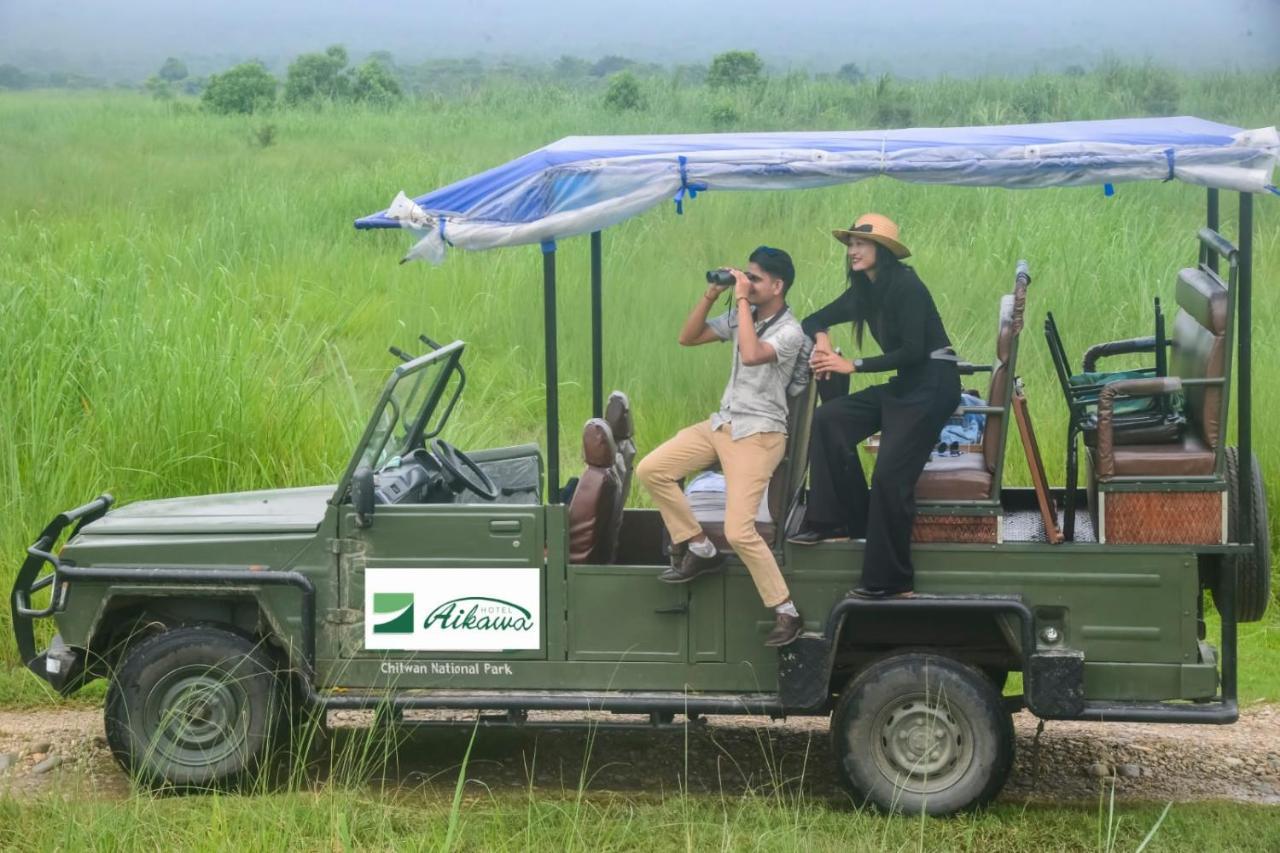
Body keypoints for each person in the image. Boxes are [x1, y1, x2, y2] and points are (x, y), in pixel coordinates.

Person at [636, 246, 809, 647]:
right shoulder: (741, 315)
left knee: (739, 529)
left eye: (756, 278)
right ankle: (699, 546)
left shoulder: (790, 331)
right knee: (653, 469)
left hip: (760, 434)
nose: (747, 282)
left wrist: (743, 301)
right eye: (745, 275)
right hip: (724, 423)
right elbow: (688, 337)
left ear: (777, 286)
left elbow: (751, 355)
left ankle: (786, 611)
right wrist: (713, 293)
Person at [788, 214, 961, 598]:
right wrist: (822, 342)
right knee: (830, 419)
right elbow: (815, 318)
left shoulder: (907, 286)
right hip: (906, 387)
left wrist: (855, 365)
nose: (852, 251)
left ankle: (892, 581)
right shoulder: (865, 290)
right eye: (850, 245)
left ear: (881, 250)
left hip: (932, 386)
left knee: (889, 478)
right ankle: (837, 521)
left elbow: (914, 352)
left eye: (860, 245)